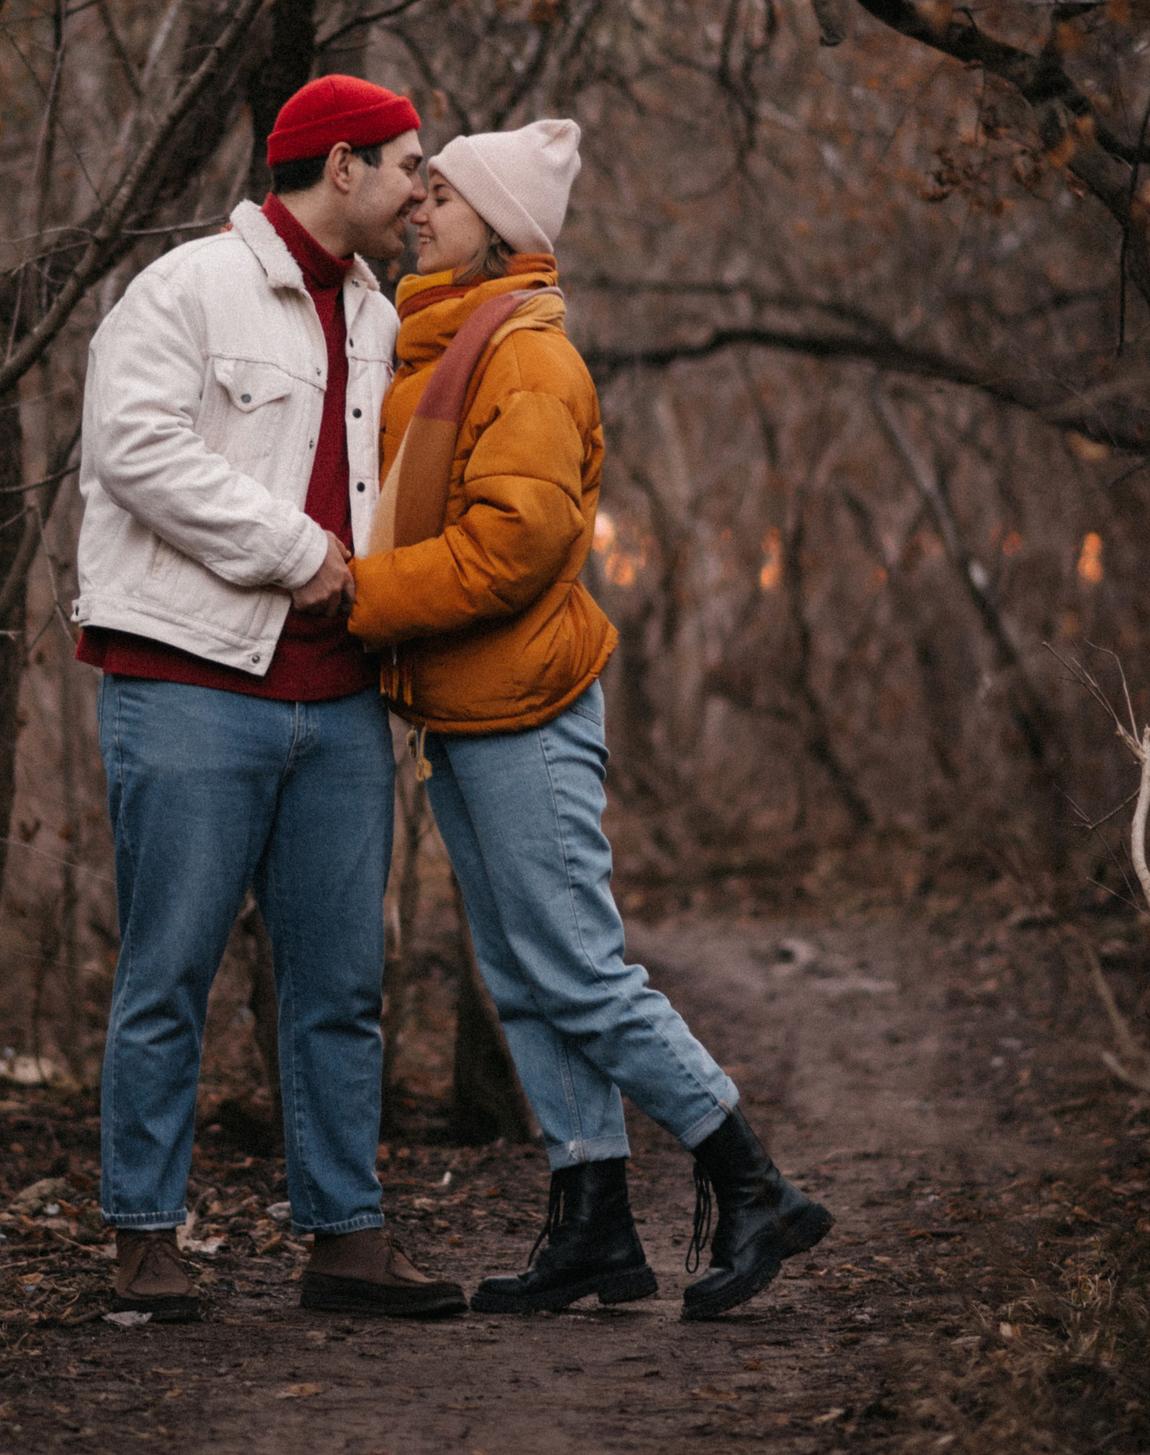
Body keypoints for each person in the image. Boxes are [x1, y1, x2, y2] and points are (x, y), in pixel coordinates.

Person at [346, 119, 833, 1319]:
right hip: (464, 704)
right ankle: (593, 1221)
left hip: (526, 701)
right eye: (424, 191)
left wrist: (361, 595)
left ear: (500, 227)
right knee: (523, 973)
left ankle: (752, 1182)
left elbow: (516, 542)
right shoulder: (445, 343)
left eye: (443, 196)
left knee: (574, 965)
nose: (421, 211)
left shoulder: (524, 356)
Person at [71, 74, 466, 1322]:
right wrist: (295, 552)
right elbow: (133, 448)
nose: (421, 189)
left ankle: (346, 1238)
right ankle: (144, 1238)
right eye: (406, 163)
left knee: (343, 983)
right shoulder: (185, 288)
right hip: (188, 681)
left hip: (341, 700)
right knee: (169, 970)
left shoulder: (378, 312)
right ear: (341, 165)